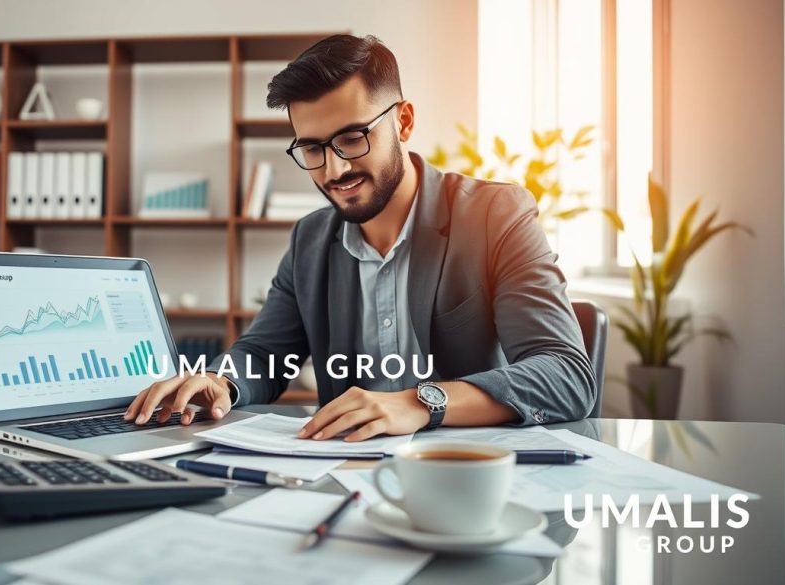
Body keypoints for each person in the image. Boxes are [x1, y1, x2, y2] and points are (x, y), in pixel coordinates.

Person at [125, 33, 595, 441]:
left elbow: (567, 375)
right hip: (350, 474)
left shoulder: (495, 214)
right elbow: (265, 355)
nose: (335, 170)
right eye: (312, 148)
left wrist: (421, 402)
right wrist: (219, 382)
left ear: (404, 122)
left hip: (472, 478)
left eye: (352, 138)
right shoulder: (310, 240)